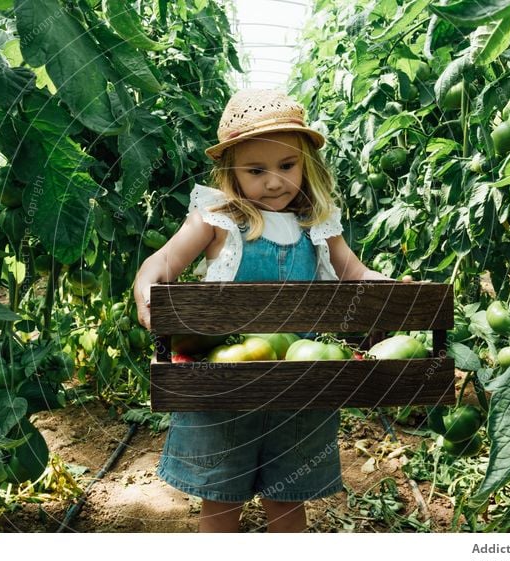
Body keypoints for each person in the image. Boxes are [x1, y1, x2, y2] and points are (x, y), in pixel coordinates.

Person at [133, 89, 396, 532]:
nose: (273, 182)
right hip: (224, 383)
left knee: (288, 499)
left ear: (305, 164)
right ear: (230, 172)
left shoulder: (318, 224)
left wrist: (390, 289)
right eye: (256, 171)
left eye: (286, 166)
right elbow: (163, 260)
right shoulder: (217, 220)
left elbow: (355, 273)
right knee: (221, 499)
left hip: (302, 383)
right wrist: (148, 282)